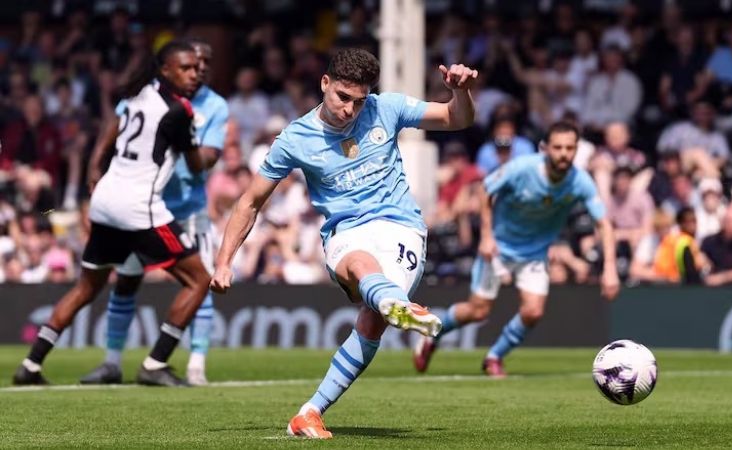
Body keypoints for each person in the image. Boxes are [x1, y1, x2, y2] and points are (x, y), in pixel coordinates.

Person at [209, 48, 478, 439]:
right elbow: (250, 201)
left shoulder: (387, 108)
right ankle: (394, 302)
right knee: (360, 263)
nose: (351, 110)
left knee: (372, 320)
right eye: (343, 98)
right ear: (325, 84)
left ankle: (309, 413)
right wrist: (223, 261)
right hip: (345, 231)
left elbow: (456, 118)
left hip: (402, 228)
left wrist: (462, 93)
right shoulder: (296, 138)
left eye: (360, 100)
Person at [12, 41, 211, 387]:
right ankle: (155, 363)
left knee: (87, 286)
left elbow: (112, 125)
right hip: (139, 207)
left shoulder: (137, 94)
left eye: (196, 68)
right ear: (165, 70)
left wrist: (94, 165)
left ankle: (30, 364)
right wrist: (203, 153)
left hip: (106, 200)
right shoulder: (180, 111)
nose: (195, 74)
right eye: (186, 68)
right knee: (200, 279)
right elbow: (195, 166)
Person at [413, 121, 620, 378]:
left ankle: (494, 357)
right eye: (558, 147)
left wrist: (610, 269)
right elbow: (486, 189)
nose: (564, 153)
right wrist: (487, 237)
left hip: (534, 253)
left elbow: (604, 223)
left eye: (570, 148)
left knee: (533, 311)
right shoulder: (522, 169)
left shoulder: (580, 181)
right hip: (499, 247)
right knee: (478, 311)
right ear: (544, 148)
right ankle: (433, 331)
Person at [79, 39, 229, 386]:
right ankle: (114, 362)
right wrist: (94, 165)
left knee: (201, 280)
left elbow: (209, 155)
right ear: (171, 67)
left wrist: (200, 154)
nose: (200, 68)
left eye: (204, 61)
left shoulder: (215, 106)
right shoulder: (153, 96)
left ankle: (196, 364)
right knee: (128, 282)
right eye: (193, 63)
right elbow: (116, 125)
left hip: (187, 208)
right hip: (143, 208)